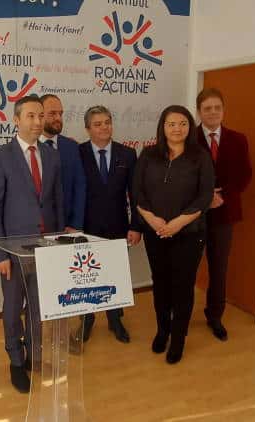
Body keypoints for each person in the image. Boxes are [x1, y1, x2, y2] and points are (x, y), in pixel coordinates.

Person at [0, 95, 64, 393]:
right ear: (16, 120)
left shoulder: (52, 156)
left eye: (41, 116)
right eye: (30, 116)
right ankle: (16, 362)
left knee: (39, 307)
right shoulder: (0, 158)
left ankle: (34, 356)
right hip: (13, 251)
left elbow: (56, 202)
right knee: (12, 309)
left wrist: (59, 243)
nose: (37, 121)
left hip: (46, 247)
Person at [135, 105, 215, 364]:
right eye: (171, 124)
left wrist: (179, 222)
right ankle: (163, 331)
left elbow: (205, 196)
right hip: (156, 232)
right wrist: (152, 220)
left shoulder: (200, 157)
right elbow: (137, 192)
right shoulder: (148, 155)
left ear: (189, 127)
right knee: (160, 284)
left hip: (189, 233)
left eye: (182, 123)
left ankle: (178, 338)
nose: (177, 128)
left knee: (183, 287)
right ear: (163, 127)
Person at [73, 106, 143, 350]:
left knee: (115, 276)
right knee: (86, 277)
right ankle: (87, 320)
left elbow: (135, 194)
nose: (104, 127)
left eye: (107, 122)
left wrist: (136, 226)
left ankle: (115, 320)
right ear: (87, 129)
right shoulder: (78, 153)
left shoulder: (127, 154)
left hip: (118, 227)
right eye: (97, 124)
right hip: (86, 229)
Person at [196, 88, 252, 341]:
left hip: (224, 215)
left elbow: (244, 175)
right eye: (207, 108)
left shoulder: (238, 140)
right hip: (193, 216)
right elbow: (182, 176)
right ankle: (181, 315)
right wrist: (205, 197)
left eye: (217, 107)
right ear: (199, 112)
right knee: (187, 269)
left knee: (219, 270)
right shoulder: (189, 139)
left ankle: (215, 316)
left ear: (223, 110)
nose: (213, 112)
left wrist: (221, 197)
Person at [39, 94, 86, 232]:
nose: (58, 118)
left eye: (60, 113)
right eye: (52, 113)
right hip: (34, 228)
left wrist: (76, 225)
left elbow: (79, 187)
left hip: (67, 227)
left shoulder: (72, 147)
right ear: (40, 115)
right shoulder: (28, 147)